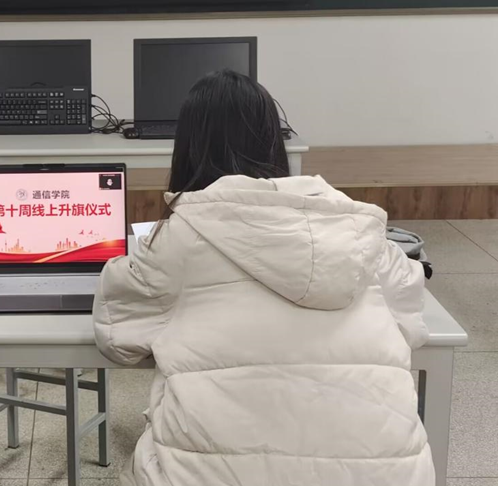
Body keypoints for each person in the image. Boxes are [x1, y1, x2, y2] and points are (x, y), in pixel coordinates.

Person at [94, 70, 434, 486]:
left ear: (187, 148)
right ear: (274, 139)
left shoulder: (177, 237)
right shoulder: (360, 229)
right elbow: (413, 321)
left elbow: (117, 337)